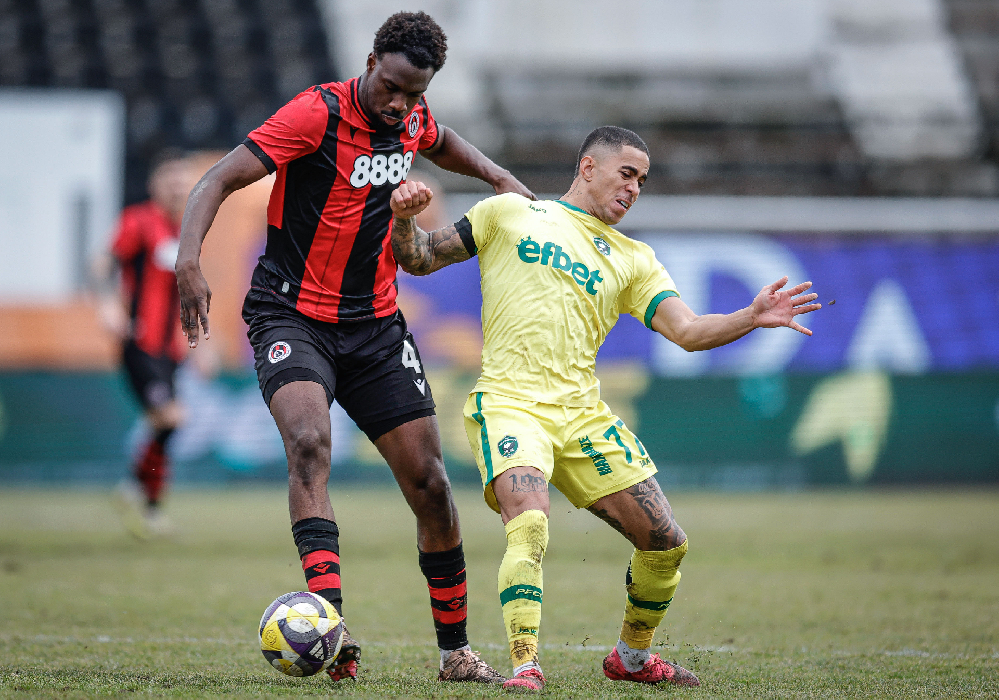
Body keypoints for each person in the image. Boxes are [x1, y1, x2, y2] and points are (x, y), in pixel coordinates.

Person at [389, 125, 822, 691]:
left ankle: (632, 658)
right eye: (627, 174)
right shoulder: (509, 213)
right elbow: (419, 258)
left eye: (642, 180)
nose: (635, 188)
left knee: (666, 542)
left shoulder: (634, 259)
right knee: (529, 524)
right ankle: (525, 665)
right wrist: (403, 218)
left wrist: (750, 316)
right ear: (588, 168)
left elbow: (688, 331)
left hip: (582, 416)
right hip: (510, 404)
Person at [175, 11, 534, 684]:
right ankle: (330, 630)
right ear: (370, 62)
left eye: (413, 93)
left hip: (374, 326)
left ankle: (455, 653)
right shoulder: (316, 114)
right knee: (309, 444)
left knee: (430, 483)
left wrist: (497, 177)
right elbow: (219, 177)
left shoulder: (412, 118)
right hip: (290, 315)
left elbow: (443, 140)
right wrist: (188, 259)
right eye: (391, 87)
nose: (399, 104)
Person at [99, 149, 192, 539]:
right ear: (155, 183)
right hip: (140, 342)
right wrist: (108, 304)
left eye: (182, 179)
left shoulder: (187, 230)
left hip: (171, 351)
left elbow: (190, 291)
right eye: (170, 178)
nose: (177, 186)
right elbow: (102, 263)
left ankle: (145, 502)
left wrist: (205, 343)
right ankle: (140, 493)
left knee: (164, 426)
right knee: (171, 419)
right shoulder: (137, 221)